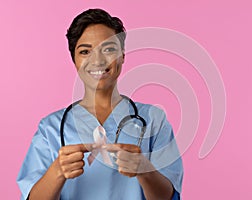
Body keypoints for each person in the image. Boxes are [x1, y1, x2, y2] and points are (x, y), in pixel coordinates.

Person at [17, 8, 183, 200]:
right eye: (85, 51)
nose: (97, 59)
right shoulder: (51, 128)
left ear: (122, 55)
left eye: (109, 49)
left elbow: (168, 196)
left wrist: (145, 171)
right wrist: (57, 172)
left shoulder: (154, 120)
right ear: (75, 60)